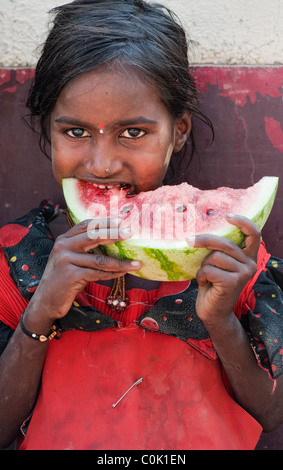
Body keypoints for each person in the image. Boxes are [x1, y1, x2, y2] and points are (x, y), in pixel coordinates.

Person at [0, 0, 283, 451]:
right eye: (75, 132)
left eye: (133, 133)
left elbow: (272, 414)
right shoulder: (15, 259)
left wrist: (220, 319)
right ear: (47, 130)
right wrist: (41, 312)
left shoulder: (233, 256)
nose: (103, 163)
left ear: (179, 131)